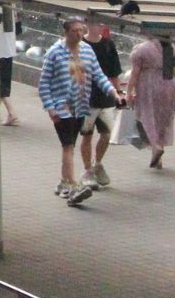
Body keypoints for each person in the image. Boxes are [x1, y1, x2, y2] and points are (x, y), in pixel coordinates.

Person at [38, 16, 119, 206]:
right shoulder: (55, 52)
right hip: (62, 107)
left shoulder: (87, 50)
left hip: (81, 105)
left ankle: (65, 182)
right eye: (75, 30)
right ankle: (72, 184)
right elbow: (44, 83)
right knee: (68, 146)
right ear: (66, 32)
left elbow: (99, 75)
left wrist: (114, 93)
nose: (79, 34)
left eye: (81, 30)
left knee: (70, 145)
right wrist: (50, 108)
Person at [80, 22, 126, 187]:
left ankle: (97, 163)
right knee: (87, 135)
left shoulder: (108, 44)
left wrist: (119, 93)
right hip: (86, 97)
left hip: (105, 96)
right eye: (94, 23)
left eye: (99, 23)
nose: (97, 26)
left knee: (106, 134)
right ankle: (87, 170)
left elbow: (114, 72)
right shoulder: (80, 44)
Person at [123, 30, 175, 170]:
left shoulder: (141, 49)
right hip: (167, 85)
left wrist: (128, 92)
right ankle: (157, 154)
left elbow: (135, 74)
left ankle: (155, 146)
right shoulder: (171, 48)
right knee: (162, 120)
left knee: (146, 117)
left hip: (148, 86)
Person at [0, 6, 23, 127]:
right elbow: (18, 29)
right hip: (9, 48)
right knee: (3, 82)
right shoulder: (13, 7)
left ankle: (11, 113)